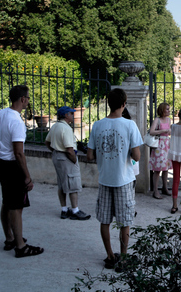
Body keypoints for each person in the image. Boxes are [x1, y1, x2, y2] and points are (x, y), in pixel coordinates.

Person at [87, 88, 143, 271]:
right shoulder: (129, 125)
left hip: (105, 179)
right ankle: (124, 258)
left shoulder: (97, 125)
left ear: (108, 103)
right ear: (124, 103)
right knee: (124, 221)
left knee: (105, 220)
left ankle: (110, 256)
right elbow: (137, 155)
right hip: (123, 180)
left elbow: (89, 155)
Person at [0, 85, 44, 258]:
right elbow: (19, 153)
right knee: (16, 207)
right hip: (12, 167)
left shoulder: (1, 114)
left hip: (1, 163)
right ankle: (20, 246)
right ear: (22, 99)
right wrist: (27, 177)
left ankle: (9, 238)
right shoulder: (16, 122)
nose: (28, 101)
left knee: (7, 202)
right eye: (28, 98)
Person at [45, 106, 90, 220]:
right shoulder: (66, 129)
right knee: (72, 183)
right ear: (66, 115)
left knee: (62, 183)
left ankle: (64, 209)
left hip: (57, 156)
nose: (73, 115)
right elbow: (69, 149)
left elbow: (47, 142)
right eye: (71, 113)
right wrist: (74, 160)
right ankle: (75, 210)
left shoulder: (55, 126)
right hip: (66, 157)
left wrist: (55, 151)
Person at [149, 102, 172, 199]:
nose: (168, 111)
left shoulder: (168, 120)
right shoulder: (157, 120)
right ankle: (155, 190)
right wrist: (162, 131)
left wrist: (169, 131)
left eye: (169, 109)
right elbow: (151, 131)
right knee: (158, 169)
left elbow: (170, 131)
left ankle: (164, 188)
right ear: (162, 110)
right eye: (167, 109)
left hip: (167, 145)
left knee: (166, 168)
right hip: (159, 146)